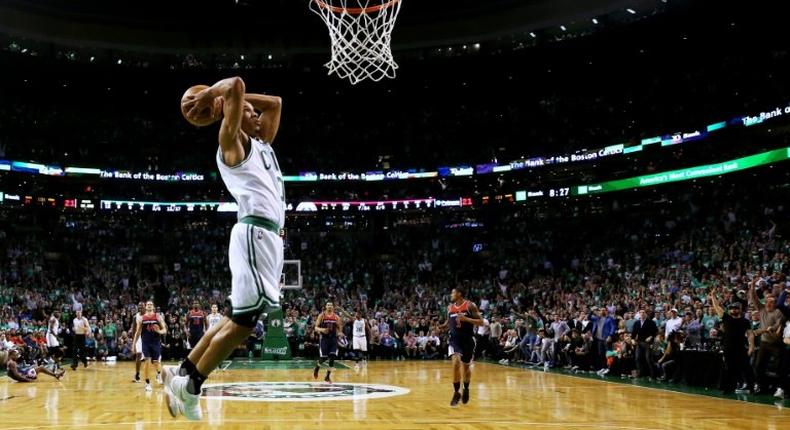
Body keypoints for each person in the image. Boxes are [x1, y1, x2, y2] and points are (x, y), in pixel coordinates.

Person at [164, 76, 284, 421]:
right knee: (245, 323)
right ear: (232, 115)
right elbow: (235, 85)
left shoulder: (262, 143)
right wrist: (215, 97)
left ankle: (184, 372)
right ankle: (191, 387)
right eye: (249, 111)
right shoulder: (230, 143)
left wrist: (235, 99)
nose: (256, 114)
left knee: (236, 317)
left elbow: (274, 101)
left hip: (268, 238)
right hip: (254, 233)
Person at [443, 286, 483, 406]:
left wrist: (466, 319)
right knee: (455, 364)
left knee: (465, 367)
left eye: (452, 292)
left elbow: (481, 322)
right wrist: (441, 326)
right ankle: (456, 392)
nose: (451, 295)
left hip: (467, 339)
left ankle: (466, 388)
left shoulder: (470, 305)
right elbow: (448, 323)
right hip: (454, 339)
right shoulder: (450, 308)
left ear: (459, 294)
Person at [709, 292, 755, 394]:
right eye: (732, 308)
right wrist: (713, 296)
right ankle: (727, 388)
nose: (733, 310)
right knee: (728, 368)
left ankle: (752, 388)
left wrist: (751, 346)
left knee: (746, 368)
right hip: (728, 348)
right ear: (729, 311)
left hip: (741, 348)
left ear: (740, 310)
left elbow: (750, 334)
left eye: (736, 308)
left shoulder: (745, 321)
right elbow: (717, 306)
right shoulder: (726, 318)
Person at [748, 281, 784, 394]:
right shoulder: (762, 308)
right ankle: (762, 386)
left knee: (779, 367)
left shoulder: (778, 312)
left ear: (775, 303)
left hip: (776, 343)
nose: (768, 304)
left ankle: (779, 387)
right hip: (764, 343)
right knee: (758, 366)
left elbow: (777, 325)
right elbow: (754, 298)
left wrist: (765, 329)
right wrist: (753, 287)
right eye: (767, 301)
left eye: (771, 302)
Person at [134, 300, 168, 392]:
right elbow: (137, 333)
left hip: (156, 343)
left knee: (156, 363)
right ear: (145, 307)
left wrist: (159, 331)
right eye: (147, 304)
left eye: (151, 304)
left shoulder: (158, 316)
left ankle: (159, 374)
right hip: (146, 343)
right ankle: (147, 383)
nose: (149, 306)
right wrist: (134, 344)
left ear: (153, 307)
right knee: (147, 362)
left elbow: (164, 329)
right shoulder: (141, 318)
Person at [313, 302, 343, 383]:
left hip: (333, 339)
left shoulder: (336, 317)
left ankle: (327, 376)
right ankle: (316, 369)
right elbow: (316, 327)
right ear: (326, 306)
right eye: (328, 305)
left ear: (333, 307)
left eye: (331, 305)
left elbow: (340, 328)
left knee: (332, 357)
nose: (330, 306)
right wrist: (322, 330)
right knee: (324, 357)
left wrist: (340, 333)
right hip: (324, 339)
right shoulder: (321, 315)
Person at [632, 309, 658, 380]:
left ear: (646, 314)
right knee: (637, 358)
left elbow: (655, 331)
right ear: (639, 314)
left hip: (648, 343)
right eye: (641, 312)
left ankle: (653, 375)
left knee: (648, 359)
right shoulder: (636, 323)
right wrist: (632, 339)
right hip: (639, 343)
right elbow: (633, 333)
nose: (642, 314)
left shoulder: (651, 322)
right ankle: (640, 373)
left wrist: (651, 336)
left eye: (644, 312)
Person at [131, 302, 145, 383]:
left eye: (142, 306)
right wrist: (133, 341)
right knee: (138, 354)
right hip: (139, 338)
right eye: (139, 306)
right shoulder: (135, 317)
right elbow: (133, 330)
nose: (140, 307)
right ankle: (137, 374)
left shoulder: (148, 316)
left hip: (147, 337)